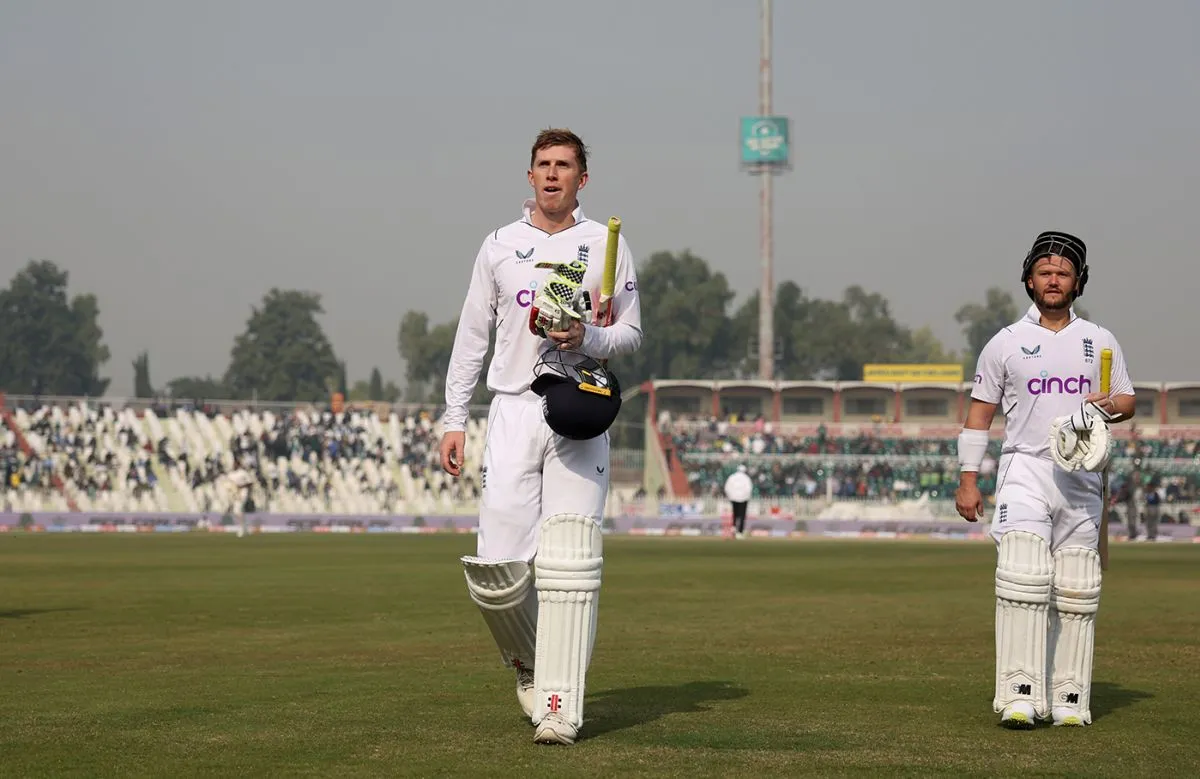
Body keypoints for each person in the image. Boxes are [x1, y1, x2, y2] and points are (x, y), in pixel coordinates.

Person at [439, 128, 643, 745]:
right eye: (543, 165)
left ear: (583, 179)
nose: (553, 174)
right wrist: (453, 418)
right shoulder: (498, 246)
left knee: (570, 561)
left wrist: (590, 339)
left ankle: (560, 702)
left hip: (579, 407)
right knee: (497, 568)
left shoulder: (605, 245)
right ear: (529, 176)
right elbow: (473, 336)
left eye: (565, 166)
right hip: (513, 410)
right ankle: (529, 664)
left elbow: (629, 334)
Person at [954, 231, 1135, 729]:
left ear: (1078, 281)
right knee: (1022, 576)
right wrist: (968, 479)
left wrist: (1109, 408)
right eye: (1044, 272)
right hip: (1025, 468)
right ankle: (1019, 694)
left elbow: (1127, 401)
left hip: (1081, 475)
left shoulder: (1100, 340)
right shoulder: (1006, 343)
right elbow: (979, 415)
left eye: (1063, 272)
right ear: (1029, 280)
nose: (1053, 280)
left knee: (1076, 587)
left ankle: (1070, 698)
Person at [723, 464, 753, 538]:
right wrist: (746, 497)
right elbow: (749, 489)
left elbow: (727, 488)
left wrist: (730, 496)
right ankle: (740, 532)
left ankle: (734, 528)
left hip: (734, 498)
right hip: (743, 499)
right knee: (742, 516)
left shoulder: (732, 477)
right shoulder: (746, 478)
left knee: (735, 514)